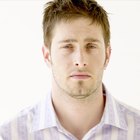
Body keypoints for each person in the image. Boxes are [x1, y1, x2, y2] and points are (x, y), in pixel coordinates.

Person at [0, 0, 140, 139]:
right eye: (67, 46)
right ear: (47, 55)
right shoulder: (9, 135)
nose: (80, 61)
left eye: (91, 46)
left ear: (107, 55)